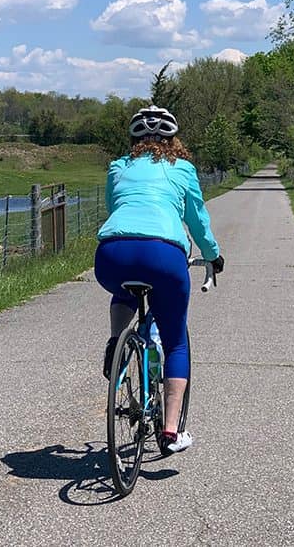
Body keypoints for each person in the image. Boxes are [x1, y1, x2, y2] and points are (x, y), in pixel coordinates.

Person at [94, 105, 224, 454]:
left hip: (112, 253)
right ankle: (169, 433)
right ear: (172, 140)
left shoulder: (119, 166)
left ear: (134, 140)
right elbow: (197, 221)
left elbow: (114, 207)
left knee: (124, 288)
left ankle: (116, 342)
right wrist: (212, 254)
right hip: (164, 255)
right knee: (176, 340)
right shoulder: (182, 168)